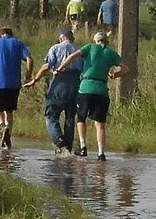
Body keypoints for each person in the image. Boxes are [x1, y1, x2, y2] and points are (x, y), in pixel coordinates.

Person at [28, 25, 83, 155]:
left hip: (59, 83)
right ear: (72, 38)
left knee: (51, 115)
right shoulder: (79, 50)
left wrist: (35, 80)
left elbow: (47, 65)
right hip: (75, 84)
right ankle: (68, 147)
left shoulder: (56, 48)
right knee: (70, 117)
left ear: (61, 38)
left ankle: (60, 143)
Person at [73, 28, 124, 159]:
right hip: (101, 90)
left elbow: (73, 56)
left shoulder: (90, 47)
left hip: (86, 88)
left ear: (95, 41)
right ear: (107, 42)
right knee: (100, 123)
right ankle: (101, 153)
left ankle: (83, 146)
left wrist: (61, 67)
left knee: (81, 118)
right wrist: (115, 74)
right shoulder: (111, 53)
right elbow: (127, 68)